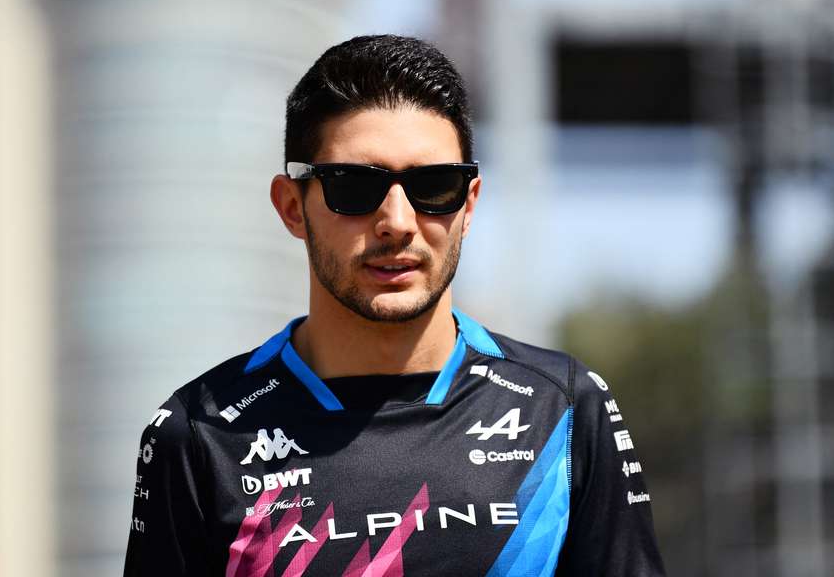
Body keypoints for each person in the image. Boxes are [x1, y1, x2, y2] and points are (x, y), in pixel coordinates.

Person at [123, 34, 666, 576]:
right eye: (354, 186)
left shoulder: (563, 410)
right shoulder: (198, 431)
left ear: (469, 203)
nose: (398, 222)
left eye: (434, 185)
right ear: (292, 207)